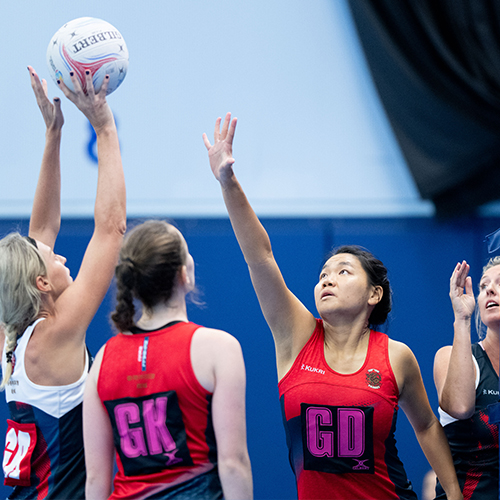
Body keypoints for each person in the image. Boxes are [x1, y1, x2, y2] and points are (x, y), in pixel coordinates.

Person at [203, 113, 463, 500]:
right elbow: (260, 257)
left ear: (373, 295)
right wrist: (228, 182)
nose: (328, 279)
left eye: (343, 272)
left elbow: (426, 426)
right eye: (324, 273)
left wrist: (454, 493)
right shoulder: (295, 337)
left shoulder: (396, 357)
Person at [0, 67, 126, 499]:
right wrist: (105, 127)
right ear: (40, 283)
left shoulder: (15, 336)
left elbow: (42, 228)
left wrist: (53, 135)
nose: (60, 254)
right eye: (52, 258)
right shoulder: (54, 336)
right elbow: (111, 229)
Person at [83, 220, 253, 499]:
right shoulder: (218, 348)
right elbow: (233, 464)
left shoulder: (103, 359)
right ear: (183, 274)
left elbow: (96, 479)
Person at [434, 259, 499, 499]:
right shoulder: (449, 356)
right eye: (484, 286)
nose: (490, 289)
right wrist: (462, 319)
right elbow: (461, 408)